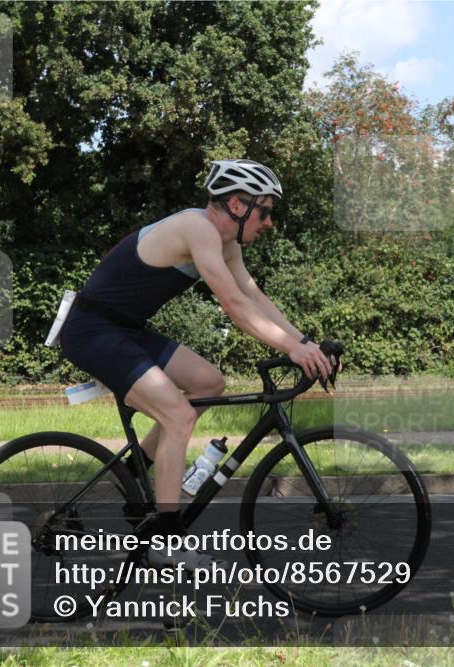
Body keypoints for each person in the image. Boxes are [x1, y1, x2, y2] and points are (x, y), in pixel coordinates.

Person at [59, 159, 333, 570]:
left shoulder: (227, 243)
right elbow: (233, 304)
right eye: (265, 210)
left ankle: (135, 474)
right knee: (178, 417)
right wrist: (294, 351)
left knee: (208, 382)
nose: (269, 221)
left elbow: (254, 296)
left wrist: (304, 342)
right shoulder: (197, 229)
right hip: (92, 330)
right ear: (238, 205)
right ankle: (165, 541)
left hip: (126, 329)